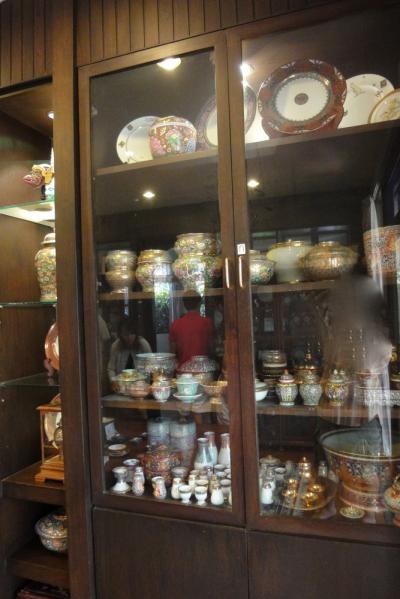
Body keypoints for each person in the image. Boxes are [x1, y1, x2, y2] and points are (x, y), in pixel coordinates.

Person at [169, 291, 215, 368]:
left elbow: (172, 354)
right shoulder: (207, 323)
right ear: (199, 303)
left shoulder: (175, 324)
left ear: (184, 304)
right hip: (203, 369)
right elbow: (212, 349)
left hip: (183, 370)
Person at [107, 316, 152, 380]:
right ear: (120, 334)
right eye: (126, 334)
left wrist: (144, 379)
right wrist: (114, 381)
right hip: (121, 383)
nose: (129, 337)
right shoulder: (116, 346)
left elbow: (150, 365)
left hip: (140, 383)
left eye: (132, 333)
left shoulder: (143, 344)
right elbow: (111, 369)